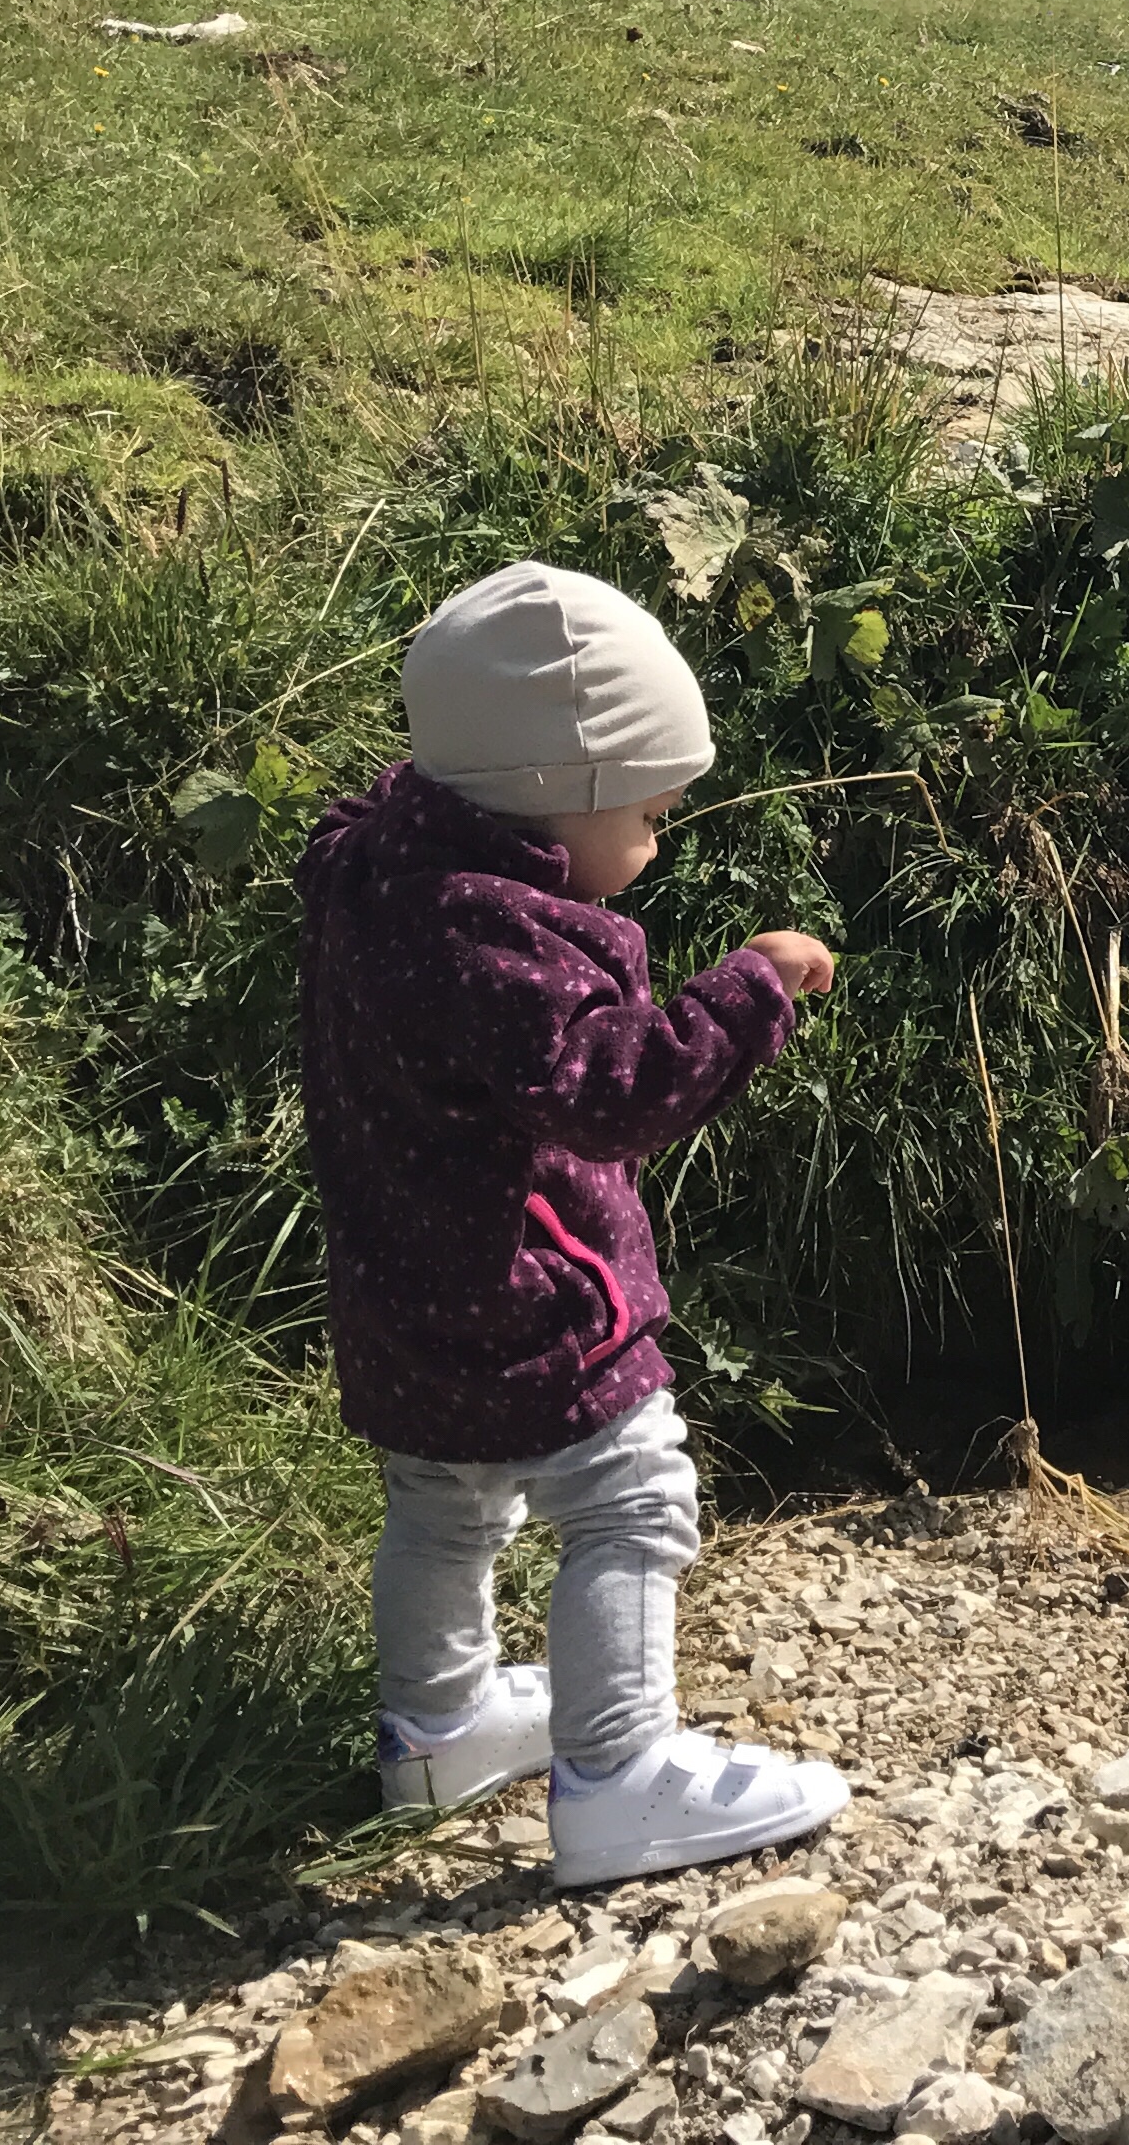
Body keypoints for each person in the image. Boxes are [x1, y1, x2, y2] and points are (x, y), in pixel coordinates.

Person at [301, 560, 849, 1888]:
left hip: (397, 1288)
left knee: (442, 1503)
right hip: (529, 1295)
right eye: (650, 815)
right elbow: (612, 1093)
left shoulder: (377, 873)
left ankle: (434, 1730)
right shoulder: (496, 940)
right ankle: (620, 1777)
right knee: (633, 1500)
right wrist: (748, 992)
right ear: (553, 804)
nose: (659, 843)